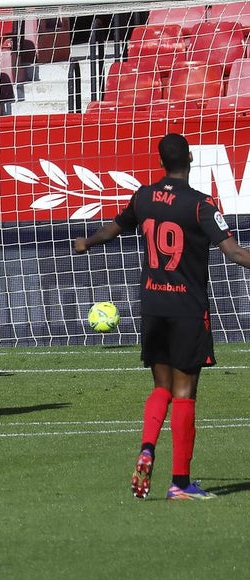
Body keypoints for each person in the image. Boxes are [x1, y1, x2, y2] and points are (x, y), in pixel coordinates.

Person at [75, 133, 250, 500]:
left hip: (153, 305)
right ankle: (181, 483)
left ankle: (147, 447)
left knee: (161, 388)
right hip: (187, 308)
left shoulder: (143, 197)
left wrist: (87, 242)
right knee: (185, 393)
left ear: (160, 162)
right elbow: (234, 253)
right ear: (190, 157)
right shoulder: (201, 205)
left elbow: (113, 228)